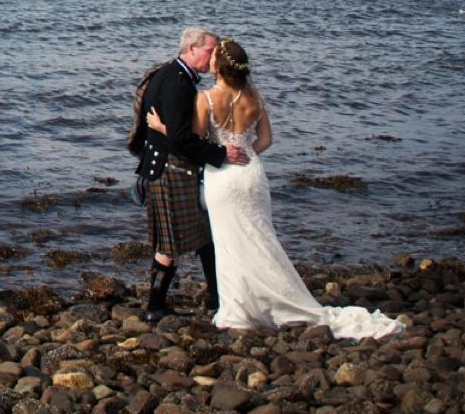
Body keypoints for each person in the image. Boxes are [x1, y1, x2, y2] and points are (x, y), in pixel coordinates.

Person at [147, 38, 402, 338]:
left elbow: (196, 141)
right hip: (251, 174)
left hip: (223, 178)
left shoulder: (206, 98)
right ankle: (272, 295)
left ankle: (238, 307)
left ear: (220, 65)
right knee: (260, 236)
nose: (210, 58)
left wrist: (163, 128)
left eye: (214, 55)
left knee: (230, 243)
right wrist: (246, 153)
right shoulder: (254, 97)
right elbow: (266, 140)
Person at [132, 26, 248, 322]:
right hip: (170, 170)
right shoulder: (178, 83)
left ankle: (215, 296)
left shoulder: (169, 73)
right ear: (192, 48)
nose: (214, 59)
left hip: (168, 166)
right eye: (210, 51)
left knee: (204, 235)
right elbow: (181, 138)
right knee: (169, 246)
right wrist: (222, 155)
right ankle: (154, 307)